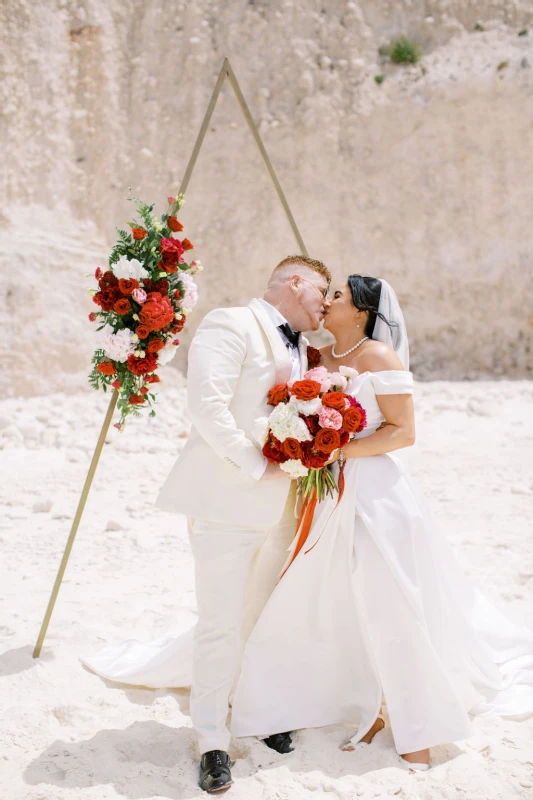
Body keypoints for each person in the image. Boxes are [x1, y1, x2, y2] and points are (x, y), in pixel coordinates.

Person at [229, 275, 533, 772]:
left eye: (338, 298)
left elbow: (403, 432)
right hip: (327, 495)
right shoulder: (318, 360)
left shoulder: (379, 359)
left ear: (363, 312)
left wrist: (336, 447)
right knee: (333, 599)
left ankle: (417, 723)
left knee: (387, 600)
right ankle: (360, 703)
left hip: (377, 497)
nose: (326, 304)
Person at [81, 254, 331, 794]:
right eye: (321, 292)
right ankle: (212, 741)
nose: (325, 305)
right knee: (219, 622)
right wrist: (258, 465)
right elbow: (207, 407)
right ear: (296, 282)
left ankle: (258, 713)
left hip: (282, 507)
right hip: (225, 503)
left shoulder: (304, 346)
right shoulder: (231, 322)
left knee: (262, 616)